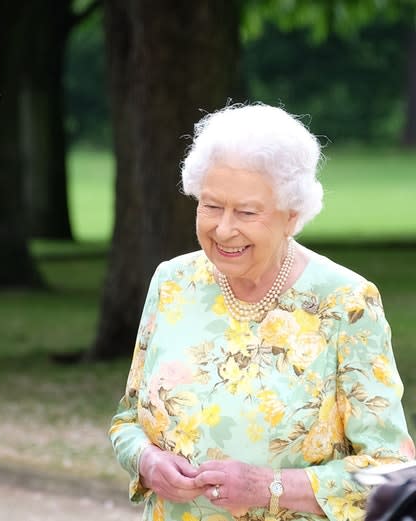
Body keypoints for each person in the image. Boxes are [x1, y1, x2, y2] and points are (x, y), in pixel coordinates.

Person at [109, 103, 415, 521]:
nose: (223, 228)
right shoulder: (172, 282)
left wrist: (268, 488)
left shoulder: (345, 302)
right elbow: (128, 419)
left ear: (291, 216)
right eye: (211, 206)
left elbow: (390, 471)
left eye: (247, 212)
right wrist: (146, 460)